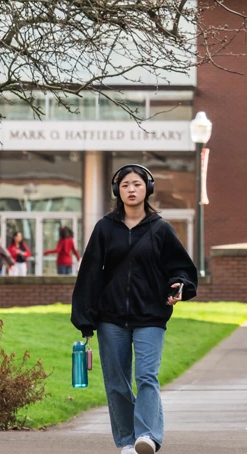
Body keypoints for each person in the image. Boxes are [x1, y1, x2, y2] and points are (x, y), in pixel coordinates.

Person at [72, 164, 197, 454]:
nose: (131, 189)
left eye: (137, 184)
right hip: (110, 318)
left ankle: (147, 437)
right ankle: (127, 441)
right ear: (118, 190)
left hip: (150, 315)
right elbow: (90, 272)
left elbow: (181, 268)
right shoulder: (105, 228)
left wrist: (179, 285)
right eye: (126, 184)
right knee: (117, 382)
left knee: (146, 377)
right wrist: (85, 316)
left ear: (147, 189)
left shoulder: (161, 229)